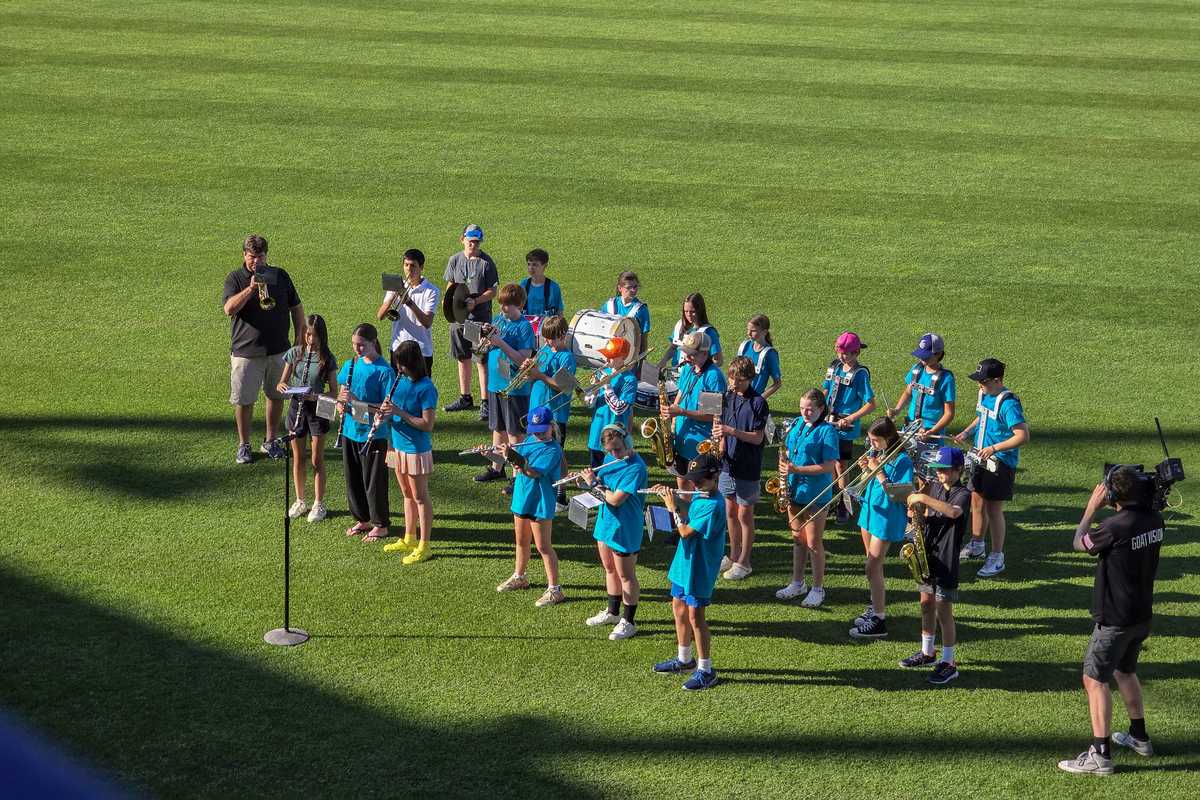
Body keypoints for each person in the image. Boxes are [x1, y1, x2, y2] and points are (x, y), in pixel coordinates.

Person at [1058, 468, 1166, 775]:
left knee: (1094, 680)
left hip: (1115, 617)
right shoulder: (1155, 520)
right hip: (1141, 615)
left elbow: (1080, 542)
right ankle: (1139, 736)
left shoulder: (1114, 526)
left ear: (1113, 495)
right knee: (1125, 670)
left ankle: (1100, 755)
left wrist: (1091, 509)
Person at [222, 234, 306, 464]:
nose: (256, 262)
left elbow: (297, 308)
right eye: (252, 257)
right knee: (244, 400)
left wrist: (300, 340)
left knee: (276, 396)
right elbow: (229, 309)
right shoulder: (236, 278)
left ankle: (270, 440)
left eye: (260, 256)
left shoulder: (279, 275)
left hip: (279, 350)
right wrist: (251, 289)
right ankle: (244, 445)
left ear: (266, 255)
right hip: (245, 352)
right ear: (244, 256)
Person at [650, 455, 727, 691]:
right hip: (684, 563)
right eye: (693, 480)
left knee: (696, 617)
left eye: (700, 481)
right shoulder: (703, 496)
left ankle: (706, 669)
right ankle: (684, 659)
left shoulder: (713, 505)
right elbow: (687, 514)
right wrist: (670, 498)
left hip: (699, 568)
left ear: (714, 477)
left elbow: (684, 531)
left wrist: (672, 508)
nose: (695, 485)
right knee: (678, 608)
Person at [953, 358, 1031, 578]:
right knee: (976, 501)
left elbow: (1022, 436)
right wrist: (966, 433)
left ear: (998, 380)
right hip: (980, 456)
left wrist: (994, 448)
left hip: (1000, 463)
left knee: (993, 510)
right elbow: (981, 417)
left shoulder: (1008, 403)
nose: (980, 385)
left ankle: (997, 557)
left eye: (984, 381)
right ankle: (977, 544)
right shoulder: (985, 394)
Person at [900, 447, 971, 686]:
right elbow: (933, 515)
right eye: (938, 470)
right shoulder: (938, 487)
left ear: (959, 470)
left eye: (945, 470)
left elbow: (952, 512)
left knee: (943, 611)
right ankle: (927, 652)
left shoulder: (963, 493)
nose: (940, 474)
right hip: (928, 554)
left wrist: (922, 498)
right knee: (926, 605)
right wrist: (916, 516)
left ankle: (949, 662)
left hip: (946, 558)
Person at [581, 424, 648, 641]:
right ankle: (612, 612)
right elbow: (603, 488)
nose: (613, 454)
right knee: (609, 569)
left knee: (626, 575)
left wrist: (593, 484)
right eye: (609, 451)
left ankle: (629, 621)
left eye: (618, 449)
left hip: (625, 527)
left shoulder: (636, 468)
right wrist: (591, 481)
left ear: (627, 443)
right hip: (606, 524)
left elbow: (616, 500)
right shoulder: (611, 459)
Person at [850, 416, 915, 640]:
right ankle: (874, 606)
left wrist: (878, 471)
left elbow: (900, 494)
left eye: (875, 440)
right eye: (870, 440)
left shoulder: (903, 460)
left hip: (886, 515)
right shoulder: (877, 454)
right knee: (872, 566)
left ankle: (879, 620)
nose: (872, 445)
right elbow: (871, 481)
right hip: (870, 510)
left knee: (872, 566)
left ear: (888, 438)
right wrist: (866, 470)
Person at [774, 390, 839, 608]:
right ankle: (797, 582)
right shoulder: (796, 425)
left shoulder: (827, 431)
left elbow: (829, 466)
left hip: (816, 494)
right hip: (794, 491)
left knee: (813, 542)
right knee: (797, 539)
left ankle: (818, 588)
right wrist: (783, 468)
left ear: (822, 409)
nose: (805, 412)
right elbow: (787, 452)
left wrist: (796, 468)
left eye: (810, 409)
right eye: (802, 408)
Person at [495, 405, 566, 607]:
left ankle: (555, 590)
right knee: (521, 540)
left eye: (543, 431)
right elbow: (519, 464)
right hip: (522, 497)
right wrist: (499, 455)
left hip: (540, 501)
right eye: (536, 431)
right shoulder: (529, 441)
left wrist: (514, 457)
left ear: (552, 427)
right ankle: (520, 576)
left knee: (543, 546)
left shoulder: (554, 450)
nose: (540, 435)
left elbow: (533, 471)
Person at [275, 314, 338, 523]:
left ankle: (319, 503)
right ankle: (300, 500)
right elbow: (281, 383)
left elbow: (334, 392)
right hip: (297, 406)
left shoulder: (327, 358)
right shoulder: (294, 354)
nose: (310, 339)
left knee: (316, 459)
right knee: (298, 456)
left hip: (319, 408)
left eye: (314, 335)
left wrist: (316, 396)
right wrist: (284, 387)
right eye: (308, 334)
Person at [379, 341, 438, 565]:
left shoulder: (426, 388)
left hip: (415, 450)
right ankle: (409, 538)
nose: (398, 369)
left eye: (400, 365)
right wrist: (383, 415)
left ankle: (425, 545)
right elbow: (390, 411)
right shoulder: (398, 382)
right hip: (396, 446)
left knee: (420, 497)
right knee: (406, 494)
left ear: (409, 364)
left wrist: (398, 412)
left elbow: (427, 424)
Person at [336, 324, 396, 543]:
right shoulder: (350, 364)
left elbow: (387, 408)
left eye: (361, 345)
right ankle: (362, 518)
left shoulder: (384, 371)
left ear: (373, 342)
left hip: (374, 434)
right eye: (354, 344)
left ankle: (380, 524)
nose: (357, 349)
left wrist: (356, 401)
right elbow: (342, 394)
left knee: (374, 482)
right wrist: (340, 405)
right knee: (353, 478)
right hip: (351, 430)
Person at [474, 284, 536, 491]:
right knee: (498, 428)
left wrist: (500, 343)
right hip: (495, 383)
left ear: (519, 304)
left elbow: (523, 360)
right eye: (501, 304)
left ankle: (517, 474)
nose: (503, 308)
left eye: (507, 305)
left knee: (515, 433)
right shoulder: (499, 320)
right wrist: (485, 336)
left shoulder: (525, 327)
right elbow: (486, 345)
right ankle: (496, 466)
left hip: (514, 388)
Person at [714, 357, 768, 581]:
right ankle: (733, 554)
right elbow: (720, 422)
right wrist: (720, 439)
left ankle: (744, 562)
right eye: (732, 378)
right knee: (729, 513)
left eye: (739, 380)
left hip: (748, 465)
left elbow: (757, 438)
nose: (734, 384)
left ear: (749, 379)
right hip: (728, 463)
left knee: (744, 515)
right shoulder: (728, 396)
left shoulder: (758, 403)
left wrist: (730, 431)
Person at [443, 225, 499, 417]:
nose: (473, 245)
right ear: (462, 239)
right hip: (458, 318)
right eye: (470, 241)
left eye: (476, 242)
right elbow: (451, 284)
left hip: (480, 319)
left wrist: (476, 301)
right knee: (462, 357)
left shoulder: (486, 263)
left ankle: (486, 401)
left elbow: (493, 291)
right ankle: (465, 397)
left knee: (481, 359)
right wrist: (448, 302)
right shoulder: (454, 260)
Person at [822, 331, 876, 525]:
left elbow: (871, 404)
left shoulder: (860, 374)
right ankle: (831, 499)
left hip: (845, 425)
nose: (842, 356)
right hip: (828, 421)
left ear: (856, 353)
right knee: (829, 461)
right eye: (839, 351)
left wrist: (851, 418)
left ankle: (844, 504)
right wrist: (819, 406)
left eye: (846, 353)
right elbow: (826, 389)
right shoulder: (834, 366)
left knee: (841, 465)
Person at [523, 315, 576, 509]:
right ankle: (538, 483)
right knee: (537, 449)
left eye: (551, 338)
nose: (547, 342)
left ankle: (561, 495)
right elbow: (533, 376)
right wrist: (528, 371)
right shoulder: (545, 349)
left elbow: (563, 386)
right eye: (545, 338)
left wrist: (539, 375)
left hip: (555, 414)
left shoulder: (567, 357)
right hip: (537, 408)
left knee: (557, 454)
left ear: (562, 335)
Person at [669, 331, 728, 492]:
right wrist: (671, 416)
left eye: (691, 354)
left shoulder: (713, 377)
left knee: (698, 492)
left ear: (704, 353)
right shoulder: (688, 369)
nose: (687, 358)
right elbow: (680, 395)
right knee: (682, 487)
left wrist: (681, 412)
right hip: (682, 440)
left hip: (699, 446)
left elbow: (711, 416)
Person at [376, 248, 439, 376]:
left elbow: (427, 322)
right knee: (397, 390)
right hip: (398, 348)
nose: (409, 269)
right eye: (406, 265)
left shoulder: (432, 291)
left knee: (420, 391)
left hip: (421, 351)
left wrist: (409, 302)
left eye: (413, 266)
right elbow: (380, 316)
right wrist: (391, 298)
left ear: (421, 267)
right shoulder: (395, 286)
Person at [888, 332, 955, 443]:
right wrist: (896, 410)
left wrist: (932, 431)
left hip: (931, 433)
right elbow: (908, 393)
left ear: (938, 354)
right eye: (920, 355)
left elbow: (949, 413)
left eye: (926, 356)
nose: (922, 358)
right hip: (910, 427)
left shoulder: (946, 378)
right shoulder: (916, 370)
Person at [584, 337, 637, 468]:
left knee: (612, 474)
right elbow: (589, 404)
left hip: (614, 437)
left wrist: (607, 386)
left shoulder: (630, 379)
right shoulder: (603, 373)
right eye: (606, 355)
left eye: (612, 356)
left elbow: (619, 409)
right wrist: (594, 391)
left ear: (623, 357)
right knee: (595, 471)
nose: (607, 360)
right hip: (596, 433)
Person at [663, 292, 722, 369]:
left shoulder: (709, 332)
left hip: (694, 376)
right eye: (686, 311)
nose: (689, 315)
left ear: (700, 310)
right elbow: (673, 347)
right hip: (676, 373)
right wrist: (662, 362)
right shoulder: (679, 325)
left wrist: (700, 371)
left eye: (692, 311)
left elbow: (718, 360)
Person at [600, 271, 651, 356]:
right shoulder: (609, 305)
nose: (633, 290)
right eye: (629, 287)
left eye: (635, 287)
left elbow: (643, 338)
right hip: (608, 353)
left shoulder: (641, 309)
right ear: (620, 288)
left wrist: (641, 361)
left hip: (628, 356)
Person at [736, 314, 781, 399]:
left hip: (753, 400)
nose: (748, 333)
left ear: (764, 332)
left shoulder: (770, 354)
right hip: (737, 396)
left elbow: (777, 383)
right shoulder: (744, 346)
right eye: (748, 329)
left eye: (753, 330)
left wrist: (760, 399)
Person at [519, 248, 564, 319]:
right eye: (529, 264)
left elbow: (559, 312)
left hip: (546, 327)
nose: (530, 268)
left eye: (535, 265)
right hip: (527, 327)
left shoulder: (553, 287)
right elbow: (516, 308)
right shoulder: (523, 285)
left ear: (545, 266)